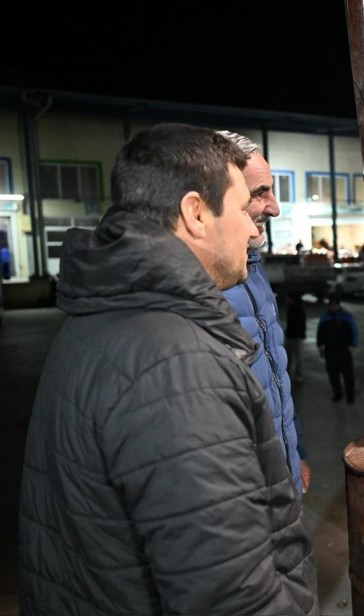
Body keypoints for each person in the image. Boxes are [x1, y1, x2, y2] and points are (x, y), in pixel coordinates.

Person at [17, 123, 319, 615]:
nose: (254, 227)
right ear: (196, 213)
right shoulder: (180, 365)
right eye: (241, 207)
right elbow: (229, 596)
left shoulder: (97, 319)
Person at [218, 130, 311, 496]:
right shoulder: (197, 287)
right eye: (258, 194)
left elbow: (275, 374)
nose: (275, 208)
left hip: (281, 476)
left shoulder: (254, 267)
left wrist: (295, 451)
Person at [316, 293, 358, 403]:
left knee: (348, 374)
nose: (333, 307)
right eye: (332, 305)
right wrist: (320, 345)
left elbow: (354, 330)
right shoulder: (325, 317)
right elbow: (320, 332)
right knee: (333, 374)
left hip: (344, 350)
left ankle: (350, 396)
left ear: (339, 305)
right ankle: (337, 393)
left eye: (335, 305)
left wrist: (353, 344)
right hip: (330, 351)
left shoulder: (346, 316)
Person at [285, 291, 307, 384]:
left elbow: (300, 324)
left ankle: (296, 374)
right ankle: (294, 375)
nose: (287, 299)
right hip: (293, 336)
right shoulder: (294, 308)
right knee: (294, 357)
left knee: (295, 357)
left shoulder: (297, 309)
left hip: (295, 336)